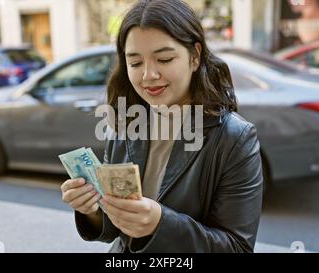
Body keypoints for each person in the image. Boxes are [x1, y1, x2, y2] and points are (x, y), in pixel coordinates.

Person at [61, 0, 263, 253]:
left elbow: (238, 248)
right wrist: (90, 209)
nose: (148, 75)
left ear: (195, 56)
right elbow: (115, 228)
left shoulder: (235, 139)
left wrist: (160, 224)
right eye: (135, 63)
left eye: (164, 59)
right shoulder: (127, 125)